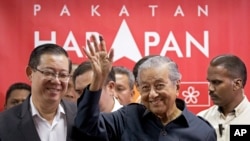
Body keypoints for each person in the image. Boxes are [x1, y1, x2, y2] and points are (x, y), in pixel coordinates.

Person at [74, 35, 217, 140]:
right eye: (146, 88)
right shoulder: (127, 118)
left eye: (159, 86)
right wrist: (98, 79)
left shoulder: (202, 131)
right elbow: (86, 125)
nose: (153, 94)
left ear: (177, 85)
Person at [0, 43, 77, 141]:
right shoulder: (4, 124)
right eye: (49, 72)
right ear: (30, 73)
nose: (56, 81)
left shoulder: (80, 117)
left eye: (63, 75)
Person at [197, 54, 250, 141]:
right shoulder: (202, 120)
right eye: (209, 82)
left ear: (237, 84)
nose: (210, 88)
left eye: (216, 82)